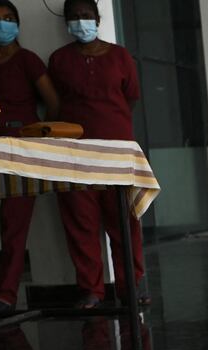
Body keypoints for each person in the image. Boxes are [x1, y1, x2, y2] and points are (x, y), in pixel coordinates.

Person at [48, 0, 147, 309]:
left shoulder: (120, 56)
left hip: (117, 153)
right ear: (66, 22)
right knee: (81, 221)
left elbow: (130, 97)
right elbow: (55, 102)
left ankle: (131, 287)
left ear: (98, 18)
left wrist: (109, 126)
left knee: (124, 220)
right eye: (74, 17)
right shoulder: (59, 59)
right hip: (74, 154)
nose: (81, 22)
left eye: (86, 16)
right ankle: (91, 289)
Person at [0, 0, 59, 312]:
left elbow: (53, 104)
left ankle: (6, 293)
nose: (0, 24)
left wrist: (37, 137)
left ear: (18, 24)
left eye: (7, 18)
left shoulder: (28, 61)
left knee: (13, 223)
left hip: (21, 149)